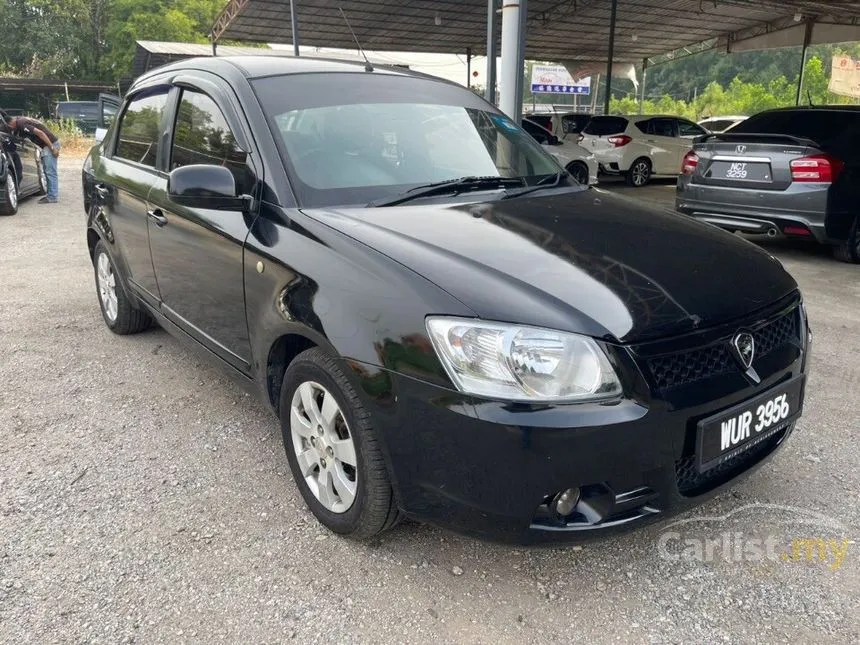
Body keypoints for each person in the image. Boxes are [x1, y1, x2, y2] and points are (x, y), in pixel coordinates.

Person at [0, 110, 60, 203]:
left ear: (11, 123)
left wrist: (52, 148)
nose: (11, 129)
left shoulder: (21, 124)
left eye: (10, 127)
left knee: (50, 171)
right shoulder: (20, 121)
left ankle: (52, 197)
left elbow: (40, 133)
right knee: (48, 171)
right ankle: (51, 195)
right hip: (48, 145)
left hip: (49, 145)